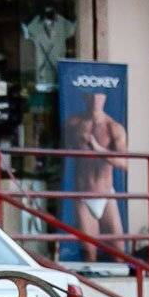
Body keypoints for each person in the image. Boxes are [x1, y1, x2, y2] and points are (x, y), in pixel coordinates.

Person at [64, 92, 127, 261]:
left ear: (105, 98)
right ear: (84, 98)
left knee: (119, 251)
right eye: (91, 96)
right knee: (88, 251)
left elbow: (124, 163)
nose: (95, 100)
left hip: (105, 194)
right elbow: (60, 151)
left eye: (99, 96)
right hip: (83, 194)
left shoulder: (113, 127)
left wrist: (98, 149)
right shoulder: (73, 124)